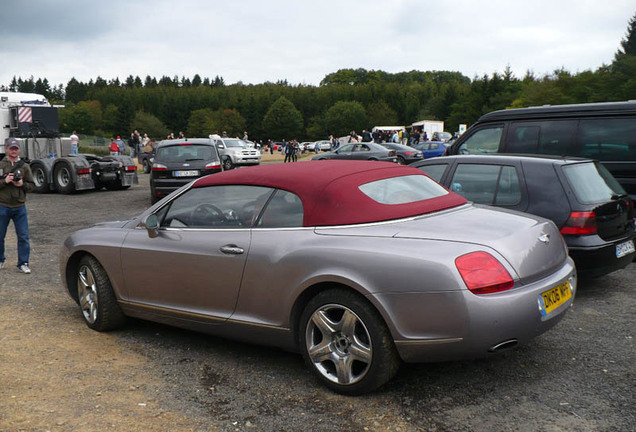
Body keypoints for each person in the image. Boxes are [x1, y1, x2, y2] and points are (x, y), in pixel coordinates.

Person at [0, 138, 35, 274]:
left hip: (19, 207)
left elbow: (32, 186)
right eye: (11, 148)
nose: (14, 151)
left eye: (16, 148)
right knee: (0, 235)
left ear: (19, 149)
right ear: (6, 149)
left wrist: (22, 184)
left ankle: (23, 263)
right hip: (2, 206)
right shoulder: (1, 164)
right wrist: (5, 181)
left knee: (23, 236)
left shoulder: (24, 166)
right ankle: (1, 259)